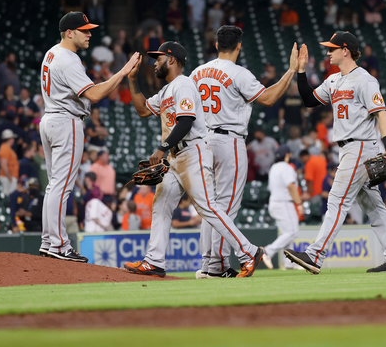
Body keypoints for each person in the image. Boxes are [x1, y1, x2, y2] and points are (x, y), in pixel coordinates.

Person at [124, 40, 265, 278]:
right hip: (175, 157)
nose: (155, 63)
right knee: (161, 204)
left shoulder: (185, 85)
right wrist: (132, 80)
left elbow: (186, 121)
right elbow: (143, 109)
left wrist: (161, 148)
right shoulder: (167, 90)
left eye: (158, 58)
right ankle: (154, 261)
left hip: (192, 152)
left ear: (172, 60)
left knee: (208, 207)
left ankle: (249, 252)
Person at [286, 31, 386, 273]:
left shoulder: (364, 79)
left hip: (361, 145)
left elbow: (381, 113)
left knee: (337, 200)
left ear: (346, 50)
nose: (328, 52)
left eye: (332, 48)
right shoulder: (333, 80)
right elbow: (310, 100)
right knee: (373, 206)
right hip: (347, 148)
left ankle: (315, 255)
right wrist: (301, 72)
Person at [190, 25, 304, 278]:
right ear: (239, 46)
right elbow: (269, 98)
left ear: (217, 45)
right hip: (229, 141)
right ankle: (218, 266)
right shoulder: (239, 73)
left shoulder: (197, 73)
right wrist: (290, 72)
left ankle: (209, 264)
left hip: (202, 141)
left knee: (210, 207)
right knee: (224, 207)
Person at [37, 11, 139, 262]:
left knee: (54, 185)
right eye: (85, 30)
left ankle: (49, 241)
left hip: (50, 119)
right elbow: (94, 95)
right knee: (61, 186)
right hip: (66, 121)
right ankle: (59, 245)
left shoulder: (51, 52)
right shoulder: (69, 59)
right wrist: (122, 72)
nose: (90, 33)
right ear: (69, 33)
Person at [262, 146, 304, 268]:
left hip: (274, 202)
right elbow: (291, 186)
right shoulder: (286, 168)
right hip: (284, 202)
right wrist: (299, 204)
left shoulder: (274, 167)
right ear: (287, 155)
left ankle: (289, 263)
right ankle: (268, 251)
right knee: (292, 232)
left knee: (287, 233)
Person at [0, 129, 20, 196]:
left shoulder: (7, 148)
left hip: (8, 177)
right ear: (10, 139)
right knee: (8, 197)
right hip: (7, 177)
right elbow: (3, 165)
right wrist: (10, 177)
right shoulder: (5, 148)